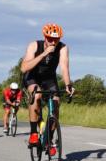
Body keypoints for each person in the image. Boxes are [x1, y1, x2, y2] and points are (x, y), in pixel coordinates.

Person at [20, 23, 74, 154]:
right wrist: (44, 54)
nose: (52, 42)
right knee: (36, 95)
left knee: (56, 103)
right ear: (45, 37)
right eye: (49, 38)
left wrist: (68, 85)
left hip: (49, 79)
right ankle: (33, 133)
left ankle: (49, 140)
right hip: (32, 76)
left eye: (56, 39)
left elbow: (64, 67)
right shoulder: (34, 45)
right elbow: (24, 68)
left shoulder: (63, 48)